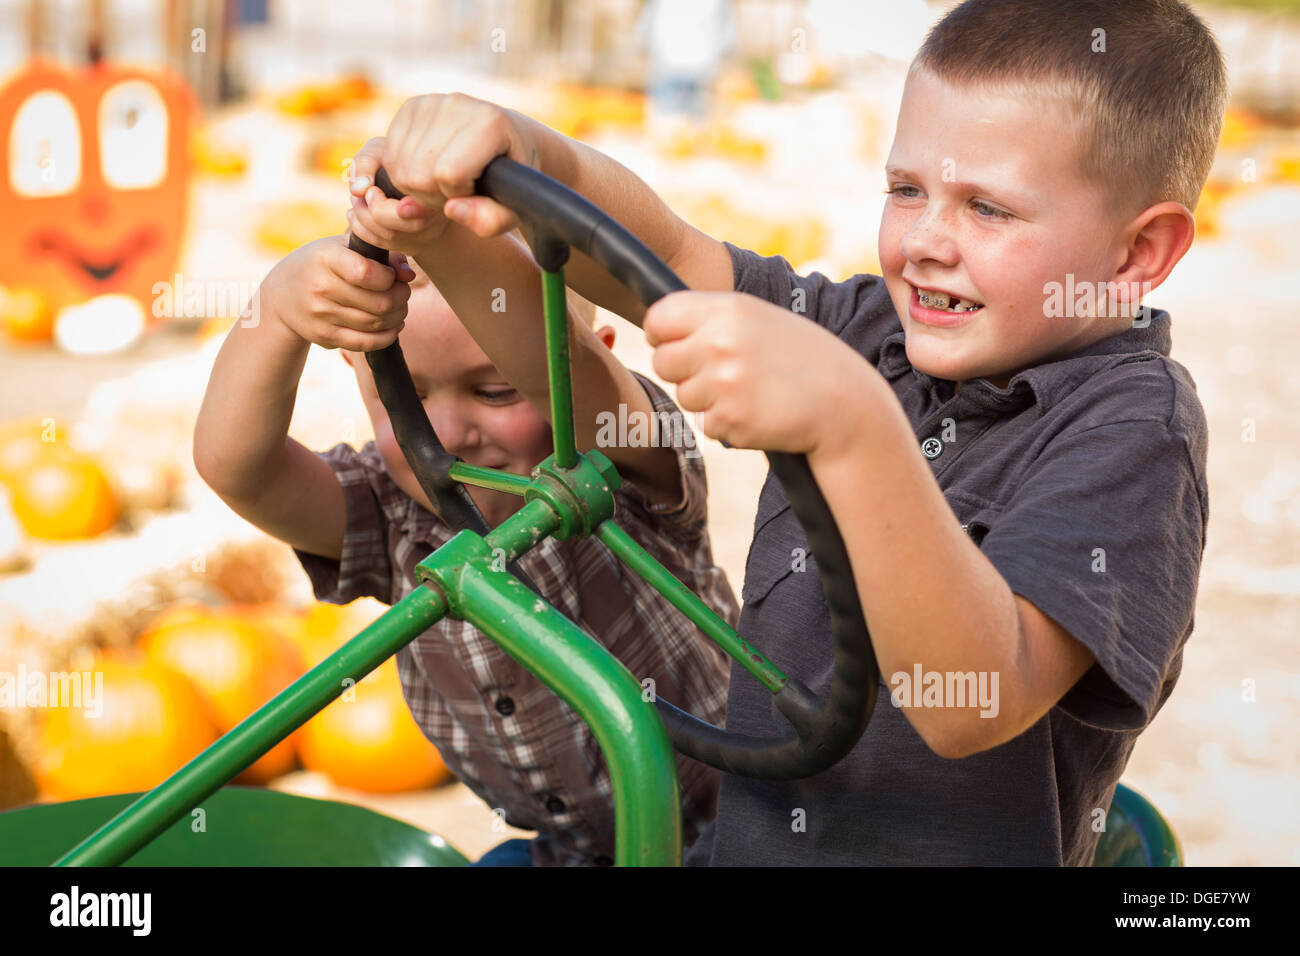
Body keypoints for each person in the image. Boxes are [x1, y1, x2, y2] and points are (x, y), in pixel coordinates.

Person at [341, 0, 1221, 866]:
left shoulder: (1133, 430)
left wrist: (855, 429)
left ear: (1137, 254)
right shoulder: (872, 331)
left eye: (987, 209)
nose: (923, 241)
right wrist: (519, 165)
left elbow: (975, 702)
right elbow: (678, 261)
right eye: (906, 189)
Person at [192, 238, 738, 867]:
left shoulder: (619, 468)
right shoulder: (390, 513)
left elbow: (571, 368)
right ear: (357, 375)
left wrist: (436, 231)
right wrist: (280, 307)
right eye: (409, 398)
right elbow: (238, 468)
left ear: (589, 366)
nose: (448, 435)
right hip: (580, 853)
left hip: (750, 824)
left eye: (497, 392)